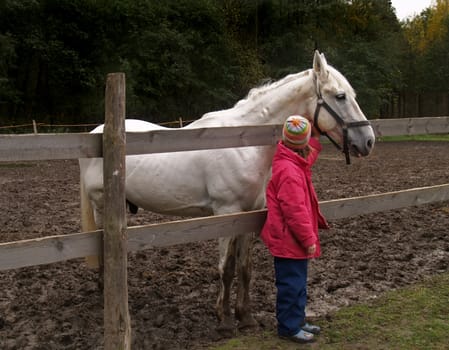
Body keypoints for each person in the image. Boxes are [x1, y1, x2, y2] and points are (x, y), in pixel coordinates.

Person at [261, 115, 329, 344]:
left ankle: (298, 320)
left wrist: (316, 141)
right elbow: (295, 211)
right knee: (291, 285)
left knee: (298, 283)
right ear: (302, 143)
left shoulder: (291, 160)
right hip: (289, 240)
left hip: (292, 240)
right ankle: (288, 328)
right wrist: (308, 238)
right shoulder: (289, 173)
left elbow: (307, 159)